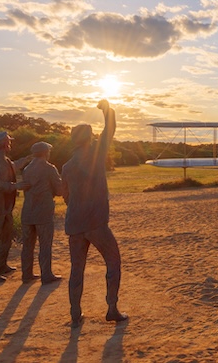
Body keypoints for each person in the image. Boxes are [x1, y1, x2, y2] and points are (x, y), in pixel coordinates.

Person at [61, 100, 127, 326]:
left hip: (74, 222)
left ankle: (75, 314)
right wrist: (107, 110)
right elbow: (110, 129)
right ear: (89, 139)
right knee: (113, 261)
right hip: (96, 222)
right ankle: (112, 308)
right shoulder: (96, 156)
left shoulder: (67, 166)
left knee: (76, 269)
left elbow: (65, 195)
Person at [0, 131, 27, 283]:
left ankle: (2, 266)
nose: (11, 144)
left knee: (6, 238)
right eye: (9, 142)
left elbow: (14, 167)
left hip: (6, 207)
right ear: (4, 144)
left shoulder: (5, 160)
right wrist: (16, 186)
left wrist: (28, 159)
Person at [20, 141, 64, 284]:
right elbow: (59, 190)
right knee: (45, 244)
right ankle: (46, 274)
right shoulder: (49, 168)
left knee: (27, 245)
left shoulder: (27, 169)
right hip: (43, 211)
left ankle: (26, 274)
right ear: (46, 152)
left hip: (27, 211)